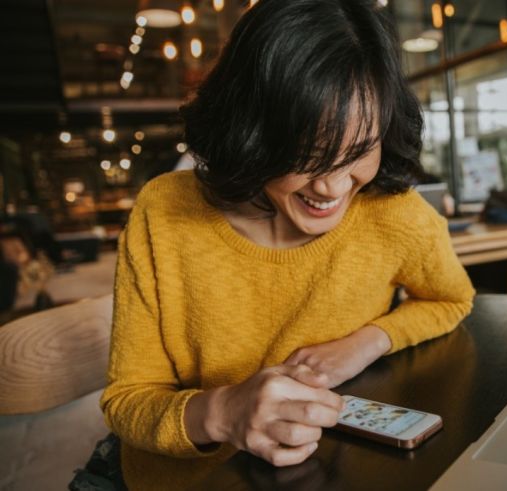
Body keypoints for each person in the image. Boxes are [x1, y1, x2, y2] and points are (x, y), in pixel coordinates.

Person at [76, 1, 475, 489]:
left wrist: (363, 344)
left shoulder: (394, 213)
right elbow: (127, 401)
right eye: (306, 154)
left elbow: (452, 298)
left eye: (358, 151)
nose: (331, 187)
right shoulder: (164, 213)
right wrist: (222, 412)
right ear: (251, 132)